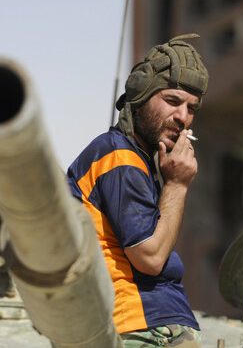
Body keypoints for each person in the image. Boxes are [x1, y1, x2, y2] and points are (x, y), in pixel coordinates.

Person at [66, 34, 208, 347]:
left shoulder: (139, 161)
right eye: (172, 101)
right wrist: (178, 184)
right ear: (141, 95)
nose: (183, 118)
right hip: (138, 327)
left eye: (192, 108)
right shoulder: (119, 157)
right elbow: (150, 257)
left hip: (153, 325)